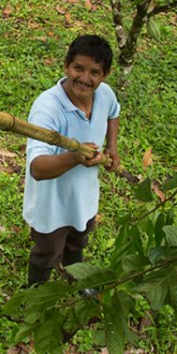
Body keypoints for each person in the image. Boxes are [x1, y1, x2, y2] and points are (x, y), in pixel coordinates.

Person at [22, 35, 120, 287]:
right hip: (51, 205)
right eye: (78, 68)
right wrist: (74, 157)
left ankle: (75, 280)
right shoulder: (47, 108)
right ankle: (34, 294)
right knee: (46, 254)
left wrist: (112, 146)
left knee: (78, 243)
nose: (85, 79)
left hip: (84, 197)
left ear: (104, 75)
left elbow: (113, 113)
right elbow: (37, 168)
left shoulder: (105, 94)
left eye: (94, 72)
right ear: (66, 66)